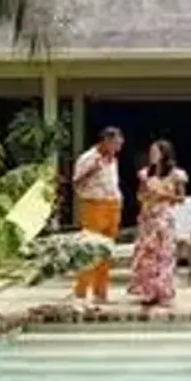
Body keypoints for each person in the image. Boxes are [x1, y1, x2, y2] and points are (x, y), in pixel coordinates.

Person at [129, 139, 187, 308]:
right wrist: (147, 195)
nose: (152, 155)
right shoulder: (145, 173)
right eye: (151, 152)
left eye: (156, 152)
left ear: (164, 154)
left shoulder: (176, 175)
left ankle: (163, 291)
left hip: (164, 216)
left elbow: (181, 198)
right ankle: (148, 291)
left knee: (164, 255)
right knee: (147, 255)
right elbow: (139, 196)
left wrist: (164, 196)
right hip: (148, 217)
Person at [71, 126, 124, 305]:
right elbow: (76, 183)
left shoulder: (113, 160)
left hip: (112, 205)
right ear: (106, 141)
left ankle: (101, 293)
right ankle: (81, 292)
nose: (119, 146)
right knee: (90, 248)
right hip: (94, 205)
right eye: (116, 143)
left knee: (106, 251)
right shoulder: (88, 158)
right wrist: (92, 169)